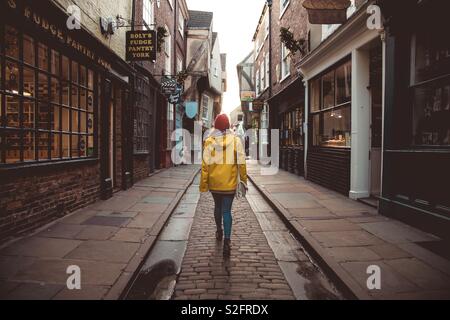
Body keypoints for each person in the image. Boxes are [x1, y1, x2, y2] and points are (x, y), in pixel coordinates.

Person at [200, 114, 248, 257]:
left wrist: (204, 184)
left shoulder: (209, 141)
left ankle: (218, 230)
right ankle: (227, 241)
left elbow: (205, 165)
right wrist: (244, 181)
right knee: (226, 211)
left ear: (215, 126)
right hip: (229, 183)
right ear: (228, 126)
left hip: (215, 183)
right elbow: (241, 163)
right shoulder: (235, 141)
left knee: (217, 207)